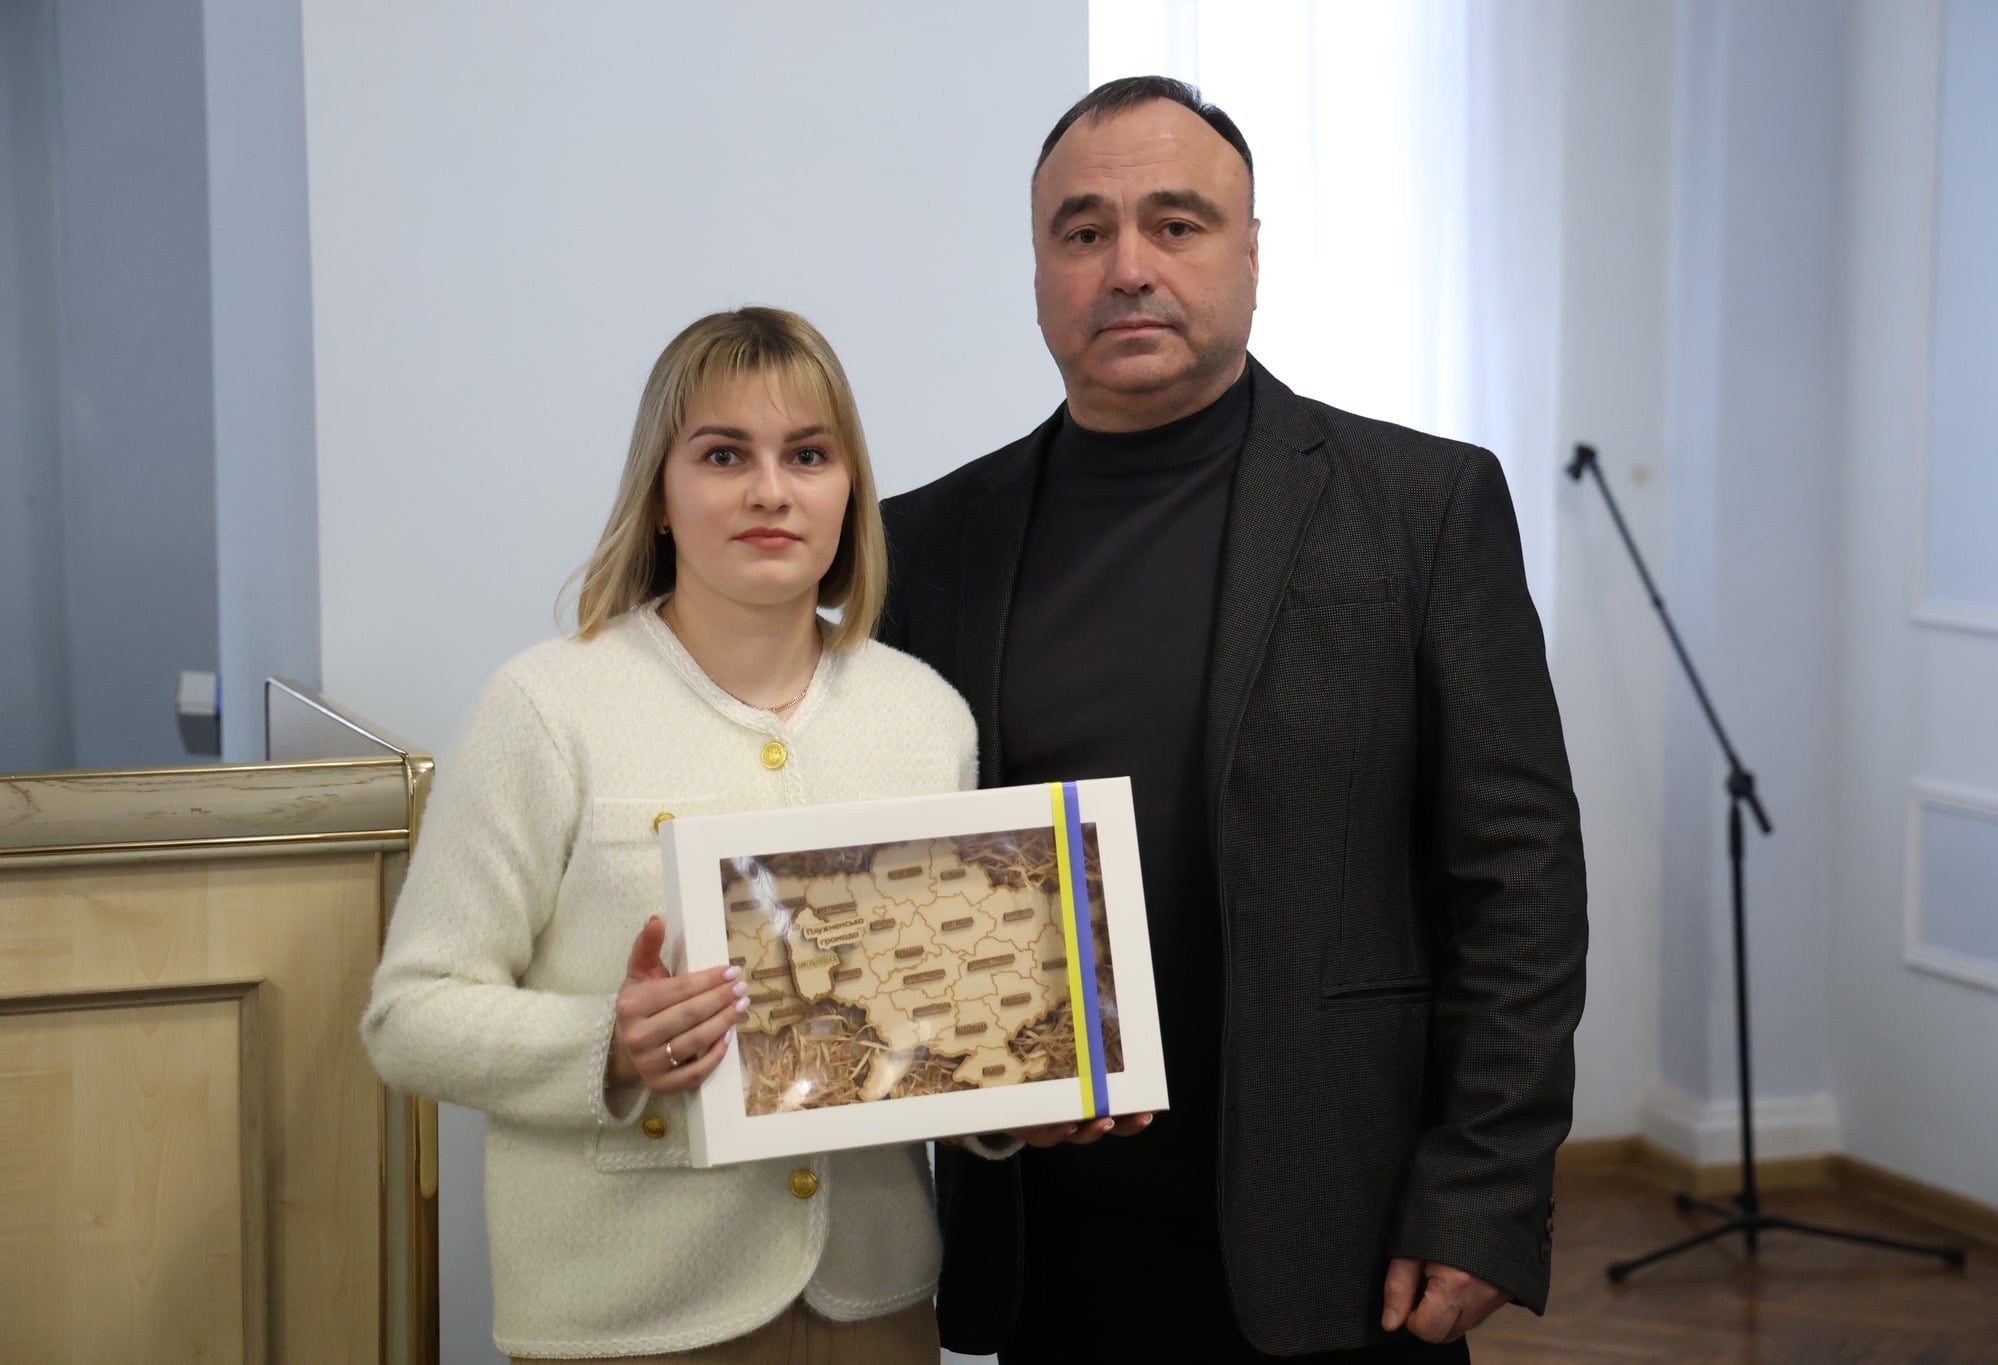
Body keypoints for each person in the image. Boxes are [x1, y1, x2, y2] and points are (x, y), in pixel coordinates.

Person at [879, 77, 1588, 1362]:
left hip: (1346, 1232)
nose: (1126, 266)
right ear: (1036, 272)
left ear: (1249, 256)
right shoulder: (922, 543)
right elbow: (893, 882)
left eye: (1176, 223)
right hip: (1048, 1240)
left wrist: (1487, 1187)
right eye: (1082, 231)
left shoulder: (1419, 507)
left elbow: (1518, 881)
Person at [361, 307, 972, 1362]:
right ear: (658, 492)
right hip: (626, 1318)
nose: (770, 490)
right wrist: (607, 1042)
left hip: (876, 1305)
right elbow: (407, 1017)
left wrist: (1020, 1097)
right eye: (724, 454)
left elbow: (943, 1014)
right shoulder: (545, 709)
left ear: (849, 490)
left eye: (808, 455)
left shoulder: (926, 716)